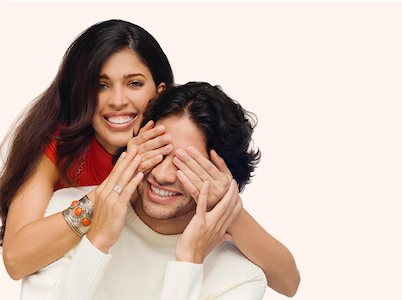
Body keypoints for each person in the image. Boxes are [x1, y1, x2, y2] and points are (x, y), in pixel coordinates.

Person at [0, 20, 300, 296]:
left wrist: (223, 213)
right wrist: (101, 207)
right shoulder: (59, 151)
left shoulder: (181, 123)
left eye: (134, 83)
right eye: (101, 85)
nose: (118, 101)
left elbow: (289, 282)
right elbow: (15, 261)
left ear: (159, 94)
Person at [22, 82, 267, 299]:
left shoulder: (241, 277)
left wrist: (189, 261)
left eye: (186, 164)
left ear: (223, 177)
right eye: (158, 152)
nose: (162, 175)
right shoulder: (65, 212)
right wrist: (98, 241)